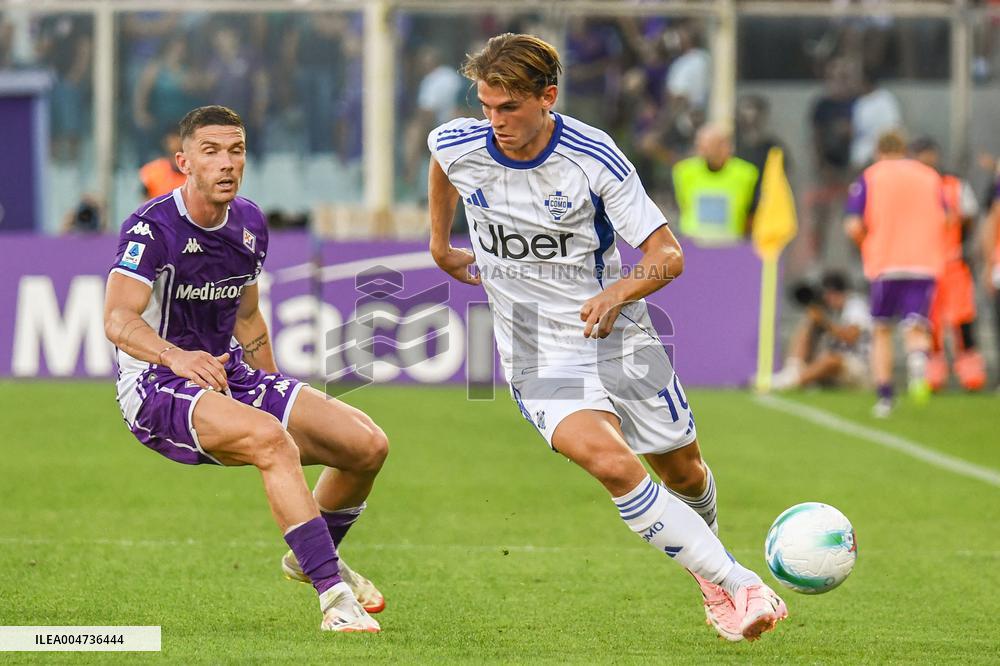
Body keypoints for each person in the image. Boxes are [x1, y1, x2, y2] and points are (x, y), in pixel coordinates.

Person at [427, 33, 787, 643]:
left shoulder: (594, 156)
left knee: (685, 472)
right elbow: (443, 164)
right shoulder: (459, 142)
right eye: (486, 106)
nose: (494, 122)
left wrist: (617, 292)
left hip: (621, 339)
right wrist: (439, 241)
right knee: (614, 465)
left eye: (508, 108)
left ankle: (707, 567)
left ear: (548, 97)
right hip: (535, 350)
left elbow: (666, 256)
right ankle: (739, 583)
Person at [104, 106, 387, 633]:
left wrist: (277, 387)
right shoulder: (151, 228)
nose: (226, 163)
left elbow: (248, 313)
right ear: (183, 162)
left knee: (366, 445)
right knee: (272, 441)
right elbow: (117, 319)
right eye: (211, 152)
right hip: (155, 384)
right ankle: (335, 599)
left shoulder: (251, 222)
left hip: (227, 371)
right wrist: (175, 356)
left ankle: (309, 558)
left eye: (236, 151)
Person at [843, 129, 948, 417]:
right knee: (916, 324)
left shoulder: (872, 176)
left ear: (878, 150)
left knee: (881, 329)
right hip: (925, 261)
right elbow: (947, 217)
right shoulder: (929, 176)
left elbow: (853, 225)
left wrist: (868, 243)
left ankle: (886, 396)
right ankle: (917, 362)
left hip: (886, 262)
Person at [909, 136, 986, 391]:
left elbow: (969, 217)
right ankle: (934, 371)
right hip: (924, 265)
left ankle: (970, 370)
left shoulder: (954, 185)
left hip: (952, 262)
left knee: (962, 317)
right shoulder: (912, 189)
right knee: (930, 321)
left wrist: (962, 246)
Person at [771, 271, 871, 390]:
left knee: (831, 359)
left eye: (828, 294)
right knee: (807, 326)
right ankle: (792, 369)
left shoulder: (855, 306)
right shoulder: (829, 309)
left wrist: (823, 321)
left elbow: (850, 337)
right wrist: (812, 320)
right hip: (834, 370)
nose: (826, 298)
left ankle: (791, 382)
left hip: (860, 368)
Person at [672, 123, 759, 245]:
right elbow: (683, 205)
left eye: (709, 146)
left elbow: (752, 212)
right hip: (693, 245)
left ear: (725, 146)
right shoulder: (684, 172)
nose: (702, 150)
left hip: (731, 246)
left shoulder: (746, 173)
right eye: (700, 145)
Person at [139, 130, 187, 199]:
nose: (174, 143)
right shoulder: (153, 170)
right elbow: (145, 198)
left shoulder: (194, 171)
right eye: (171, 139)